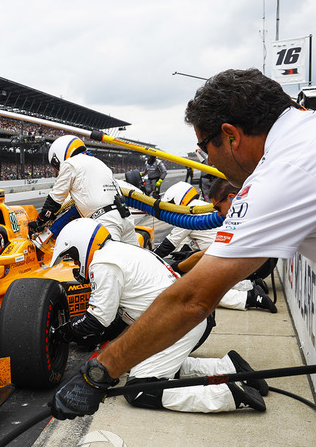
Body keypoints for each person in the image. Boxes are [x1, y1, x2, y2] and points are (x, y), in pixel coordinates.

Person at [50, 67, 316, 420]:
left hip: (188, 316)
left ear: (230, 135)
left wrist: (99, 372)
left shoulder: (281, 173)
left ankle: (229, 392)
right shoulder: (302, 135)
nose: (207, 160)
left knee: (140, 386)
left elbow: (193, 299)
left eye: (204, 147)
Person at [50, 218, 267, 414]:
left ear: (80, 244)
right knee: (151, 365)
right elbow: (117, 321)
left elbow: (97, 320)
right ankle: (229, 367)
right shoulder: (120, 252)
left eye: (73, 257)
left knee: (141, 390)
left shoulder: (103, 263)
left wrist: (61, 333)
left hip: (177, 323)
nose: (76, 265)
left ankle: (227, 395)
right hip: (181, 321)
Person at [153, 181, 276, 313]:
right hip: (260, 264)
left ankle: (249, 297)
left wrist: (166, 265)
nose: (217, 215)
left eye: (217, 209)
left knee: (190, 284)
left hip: (254, 266)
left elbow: (171, 245)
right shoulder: (233, 212)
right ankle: (249, 285)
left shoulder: (190, 213)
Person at [29, 135, 139, 245]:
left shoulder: (70, 164)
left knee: (106, 260)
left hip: (105, 221)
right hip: (125, 217)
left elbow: (55, 199)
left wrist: (40, 221)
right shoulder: (99, 163)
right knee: (135, 259)